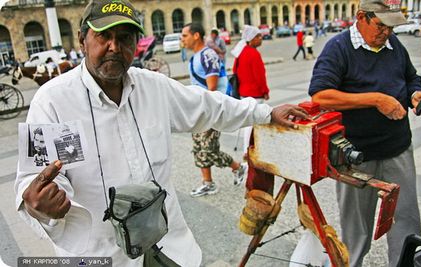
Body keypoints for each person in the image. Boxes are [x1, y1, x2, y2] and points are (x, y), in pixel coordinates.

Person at [15, 1, 309, 266]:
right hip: (100, 255)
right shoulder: (53, 101)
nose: (115, 47)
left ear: (137, 44)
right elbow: (37, 182)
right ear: (82, 39)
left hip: (168, 247)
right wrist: (42, 205)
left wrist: (267, 113)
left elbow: (210, 106)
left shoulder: (152, 87)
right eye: (104, 36)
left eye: (125, 38)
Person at [308, 0, 421, 266]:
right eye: (381, 25)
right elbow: (320, 95)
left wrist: (415, 93)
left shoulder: (393, 45)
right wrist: (376, 99)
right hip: (356, 155)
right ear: (361, 16)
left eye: (391, 26)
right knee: (356, 228)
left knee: (406, 218)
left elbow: (411, 77)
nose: (386, 32)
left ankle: (404, 263)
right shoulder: (339, 48)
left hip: (397, 147)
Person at [182, 22, 247, 197]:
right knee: (200, 147)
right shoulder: (195, 57)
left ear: (196, 35)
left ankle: (236, 168)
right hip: (200, 110)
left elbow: (211, 87)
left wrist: (201, 109)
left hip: (211, 110)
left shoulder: (207, 54)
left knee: (207, 149)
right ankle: (214, 179)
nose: (182, 40)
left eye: (184, 35)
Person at [230, 25, 269, 159]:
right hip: (255, 92)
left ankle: (247, 147)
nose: (260, 38)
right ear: (251, 39)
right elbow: (260, 76)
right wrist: (265, 91)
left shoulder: (240, 52)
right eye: (258, 36)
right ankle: (248, 149)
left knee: (248, 121)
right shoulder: (253, 53)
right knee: (253, 122)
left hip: (243, 92)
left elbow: (235, 71)